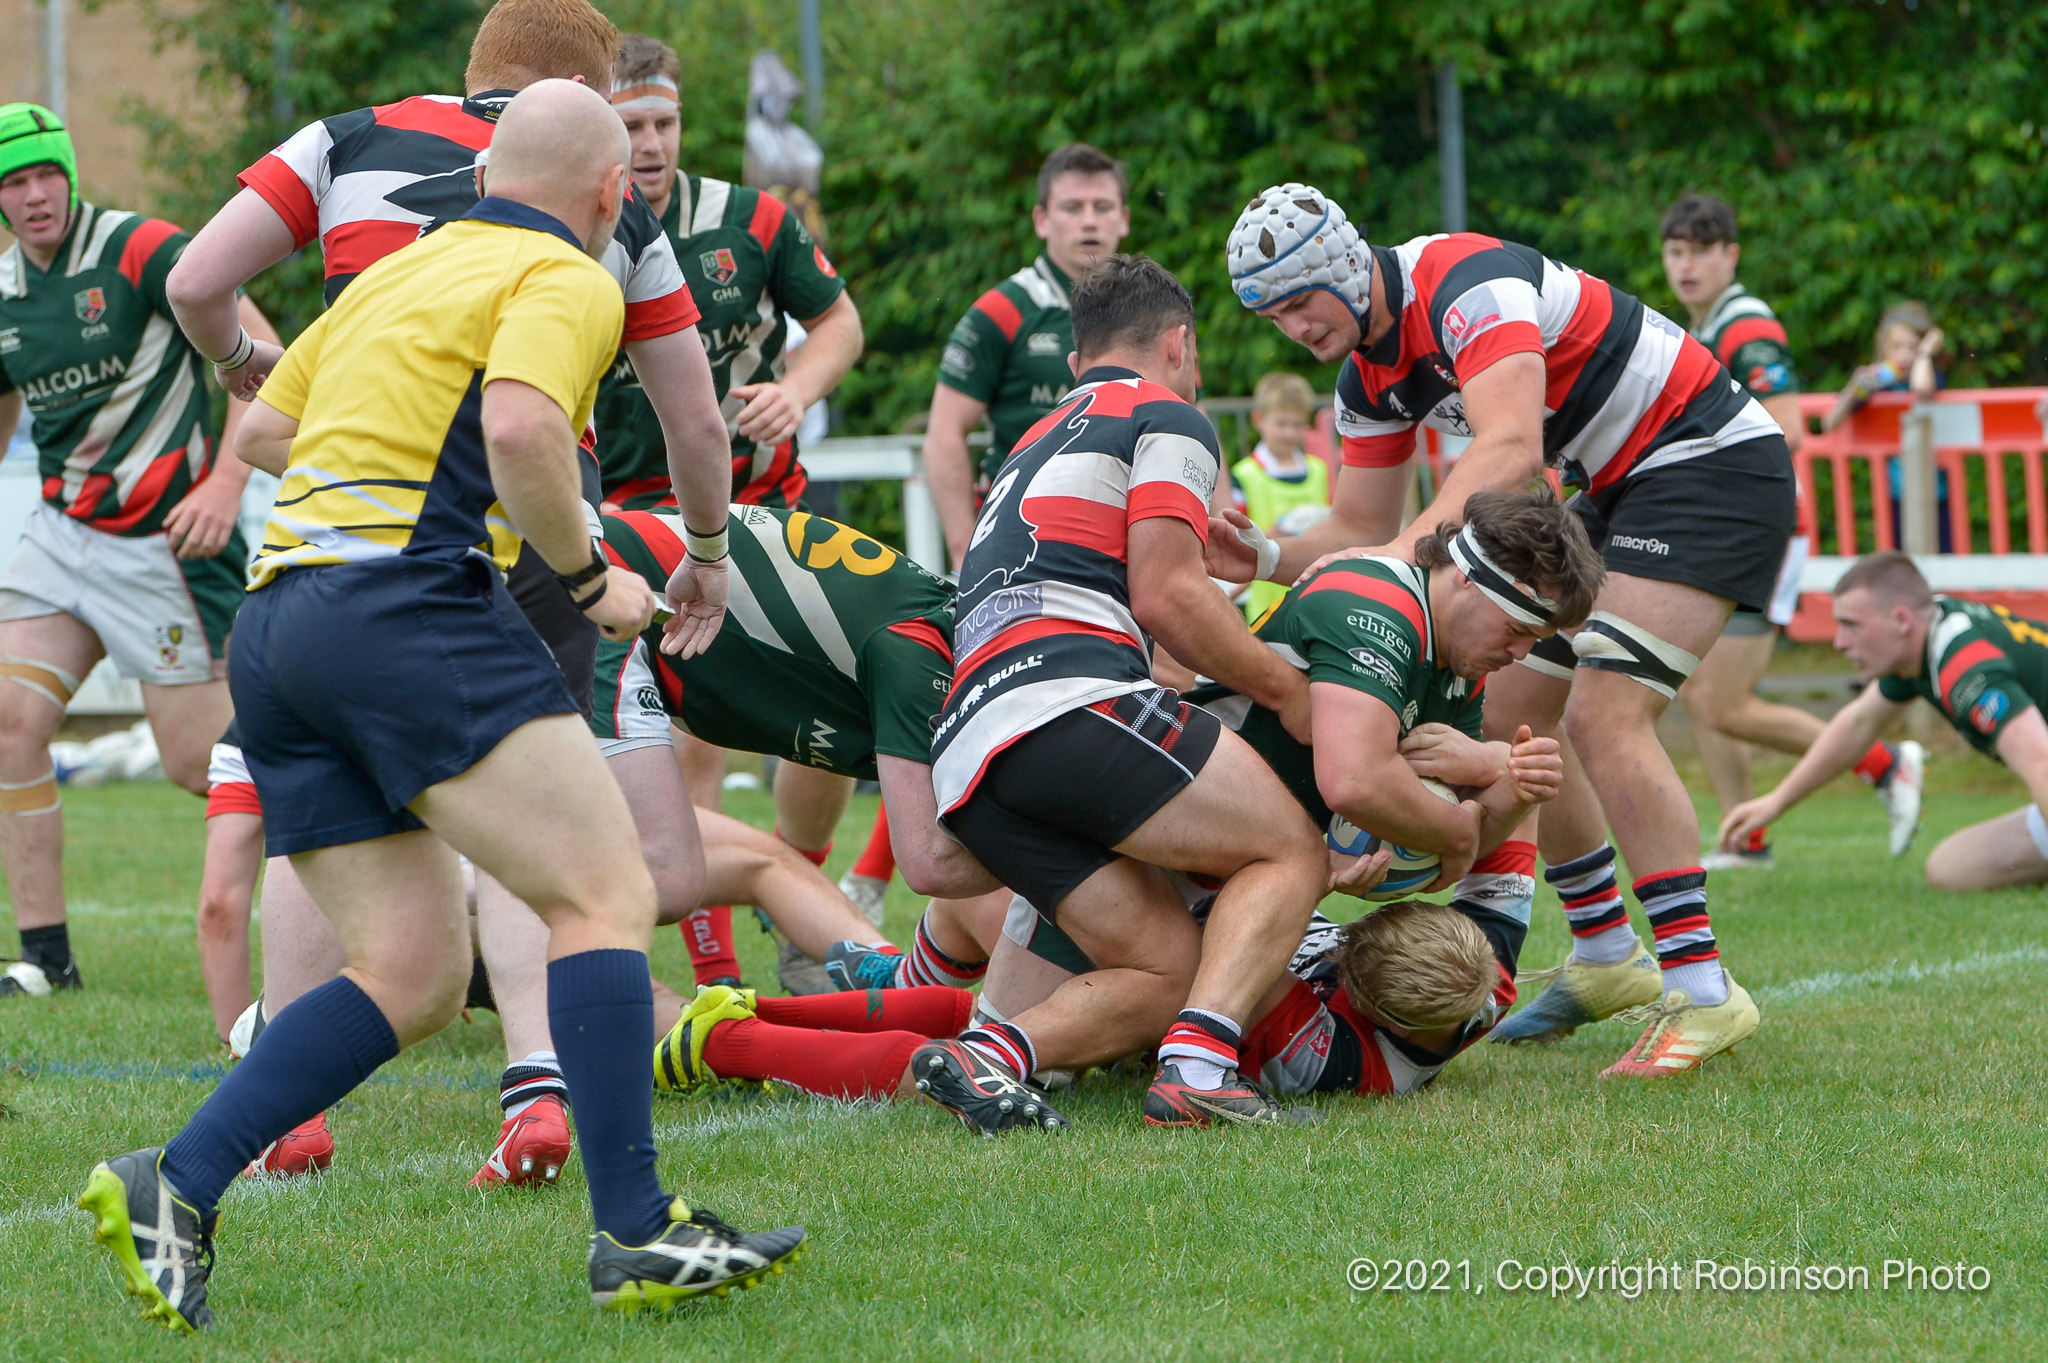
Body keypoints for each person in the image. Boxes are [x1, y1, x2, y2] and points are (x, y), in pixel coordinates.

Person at [77, 83, 804, 1333]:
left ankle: (176, 1179)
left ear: (480, 180)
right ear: (609, 195)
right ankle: (633, 1226)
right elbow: (523, 425)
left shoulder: (394, 276)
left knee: (413, 973)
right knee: (603, 896)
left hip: (284, 627)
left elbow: (267, 432)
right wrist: (592, 580)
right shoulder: (569, 274)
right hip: (405, 607)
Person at [162, 0, 744, 1187]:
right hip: (469, 549)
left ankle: (212, 1152)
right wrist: (665, 560)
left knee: (405, 952)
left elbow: (205, 299)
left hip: (297, 582)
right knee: (593, 875)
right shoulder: (586, 244)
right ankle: (563, 1116)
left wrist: (267, 379)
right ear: (600, 164)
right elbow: (655, 416)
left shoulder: (354, 166)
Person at [1217, 183, 1785, 1076]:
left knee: (1605, 713)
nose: (1292, 326)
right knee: (1513, 719)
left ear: (1341, 266)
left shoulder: (1461, 279)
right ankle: (1605, 954)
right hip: (1608, 485)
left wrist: (1401, 566)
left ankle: (1705, 987)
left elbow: (1513, 450)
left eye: (1298, 301)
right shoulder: (1366, 373)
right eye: (1270, 315)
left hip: (1705, 458)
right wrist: (1260, 554)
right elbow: (1360, 525)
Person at [916, 253, 1328, 1132]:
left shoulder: (1034, 436)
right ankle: (1201, 1069)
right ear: (1180, 345)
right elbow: (1168, 595)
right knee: (1290, 850)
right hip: (1067, 702)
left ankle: (989, 1056)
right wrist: (1284, 687)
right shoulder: (1166, 412)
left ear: (1075, 365)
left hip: (966, 751)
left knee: (1168, 971)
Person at [0, 103, 279, 1000]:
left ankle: (395, 877)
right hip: (61, 535)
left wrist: (227, 483)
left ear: (70, 175)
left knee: (205, 767)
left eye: (47, 174)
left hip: (168, 543)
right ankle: (47, 958)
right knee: (9, 727)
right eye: (13, 181)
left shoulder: (138, 248)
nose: (35, 194)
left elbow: (262, 353)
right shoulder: (6, 291)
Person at [606, 33, 867, 990]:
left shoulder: (752, 219)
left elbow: (840, 322)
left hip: (771, 508)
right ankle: (716, 968)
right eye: (629, 124)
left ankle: (804, 902)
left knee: (840, 706)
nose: (649, 142)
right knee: (691, 734)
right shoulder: (572, 227)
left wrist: (796, 388)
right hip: (639, 520)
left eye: (663, 122)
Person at [1659, 194, 1924, 869]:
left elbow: (1789, 429)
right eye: (1676, 251)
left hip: (1759, 528)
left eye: (1700, 250)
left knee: (1723, 703)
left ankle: (1886, 762)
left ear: (1731, 255)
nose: (1685, 265)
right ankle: (1746, 840)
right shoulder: (1713, 322)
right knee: (1702, 691)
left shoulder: (1746, 326)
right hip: (1731, 525)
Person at [1722, 553, 2048, 892]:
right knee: (1952, 869)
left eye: (1851, 625)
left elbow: (2041, 764)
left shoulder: (1968, 672)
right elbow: (1859, 723)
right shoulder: (1928, 639)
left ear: (1902, 620)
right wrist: (1776, 801)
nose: (1840, 642)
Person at [924, 142, 1131, 571]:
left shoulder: (1155, 311)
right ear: (1042, 220)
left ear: (1124, 219)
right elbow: (944, 433)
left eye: (1103, 206)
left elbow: (1192, 416)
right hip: (1021, 543)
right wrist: (964, 549)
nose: (1089, 220)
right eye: (1072, 207)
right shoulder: (1001, 310)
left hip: (1129, 536)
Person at [1230, 371, 1330, 621]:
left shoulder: (1318, 469)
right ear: (1259, 420)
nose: (1289, 433)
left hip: (1316, 596)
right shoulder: (1244, 474)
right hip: (1267, 605)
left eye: (1297, 424)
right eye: (1281, 423)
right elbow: (1233, 538)